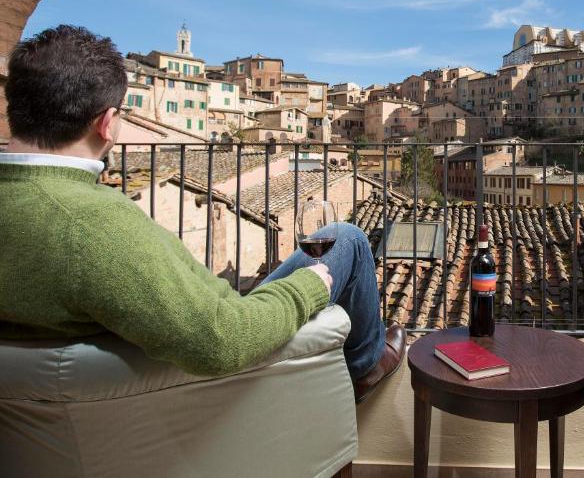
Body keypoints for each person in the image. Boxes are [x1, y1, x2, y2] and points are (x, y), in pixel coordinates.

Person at [0, 25, 404, 403]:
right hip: (212, 380)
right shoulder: (93, 224)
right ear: (107, 123)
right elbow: (223, 341)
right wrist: (309, 286)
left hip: (87, 397)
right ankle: (366, 365)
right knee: (349, 238)